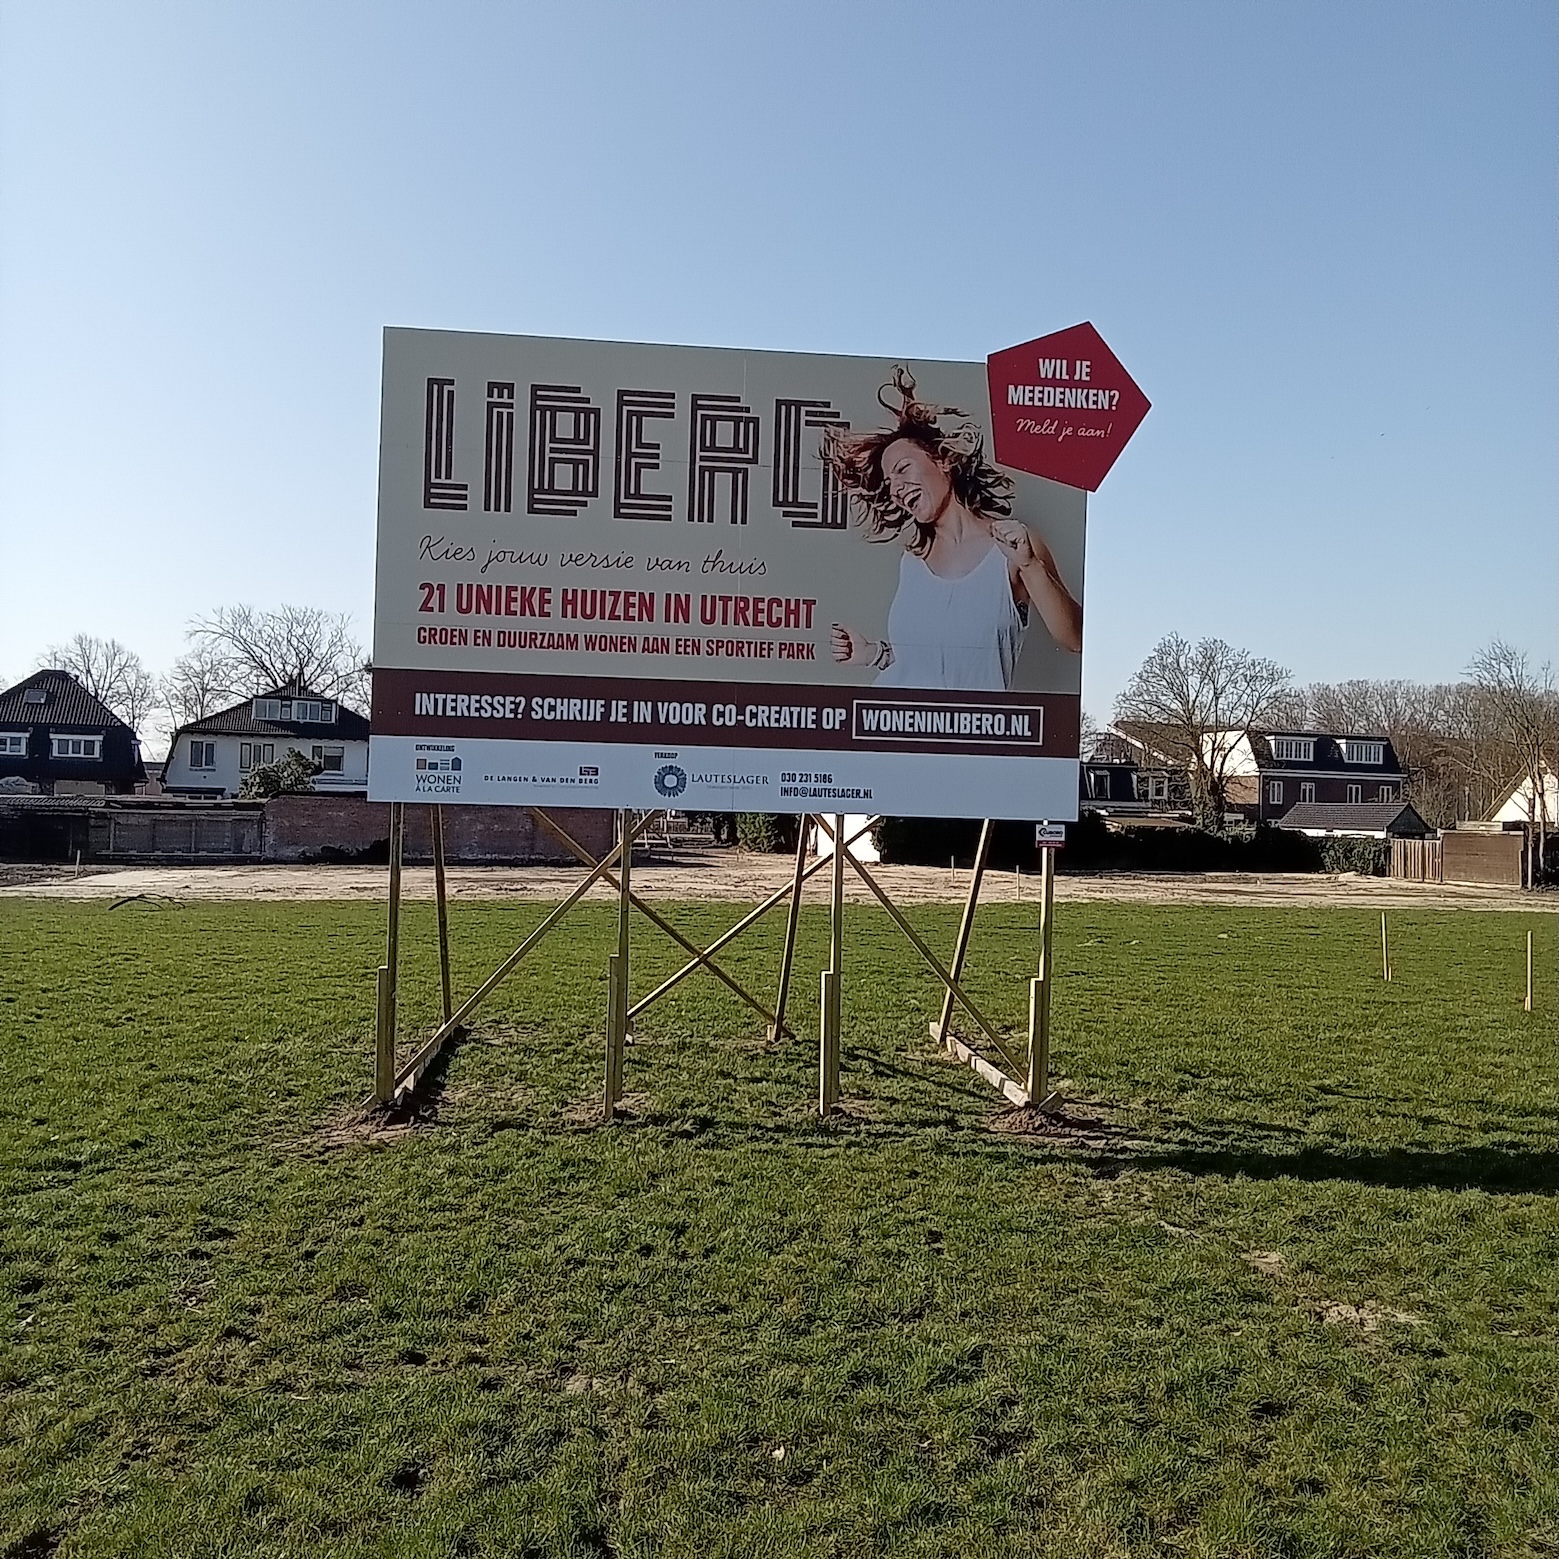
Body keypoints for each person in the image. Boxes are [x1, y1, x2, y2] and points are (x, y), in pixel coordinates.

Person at [825, 368, 1082, 690]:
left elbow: (1075, 639)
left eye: (903, 469)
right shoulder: (913, 563)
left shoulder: (1012, 549)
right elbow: (931, 664)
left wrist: (1031, 566)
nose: (897, 488)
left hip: (971, 736)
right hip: (891, 729)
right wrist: (875, 654)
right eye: (889, 483)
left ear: (943, 460)